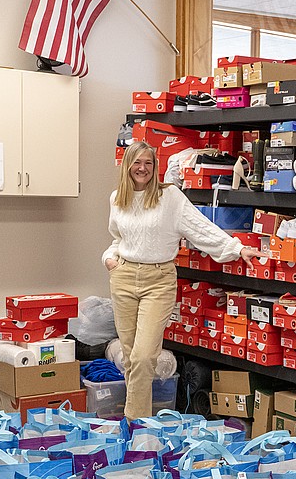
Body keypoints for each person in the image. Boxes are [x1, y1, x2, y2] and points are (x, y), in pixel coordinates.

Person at [103, 141, 266, 419]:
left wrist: (237, 248)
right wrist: (109, 258)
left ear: (155, 167)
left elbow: (201, 228)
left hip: (159, 279)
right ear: (127, 165)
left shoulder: (171, 198)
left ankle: (135, 426)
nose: (142, 168)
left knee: (144, 357)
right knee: (131, 359)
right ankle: (140, 425)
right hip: (124, 277)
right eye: (137, 163)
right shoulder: (118, 197)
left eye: (148, 163)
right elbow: (118, 237)